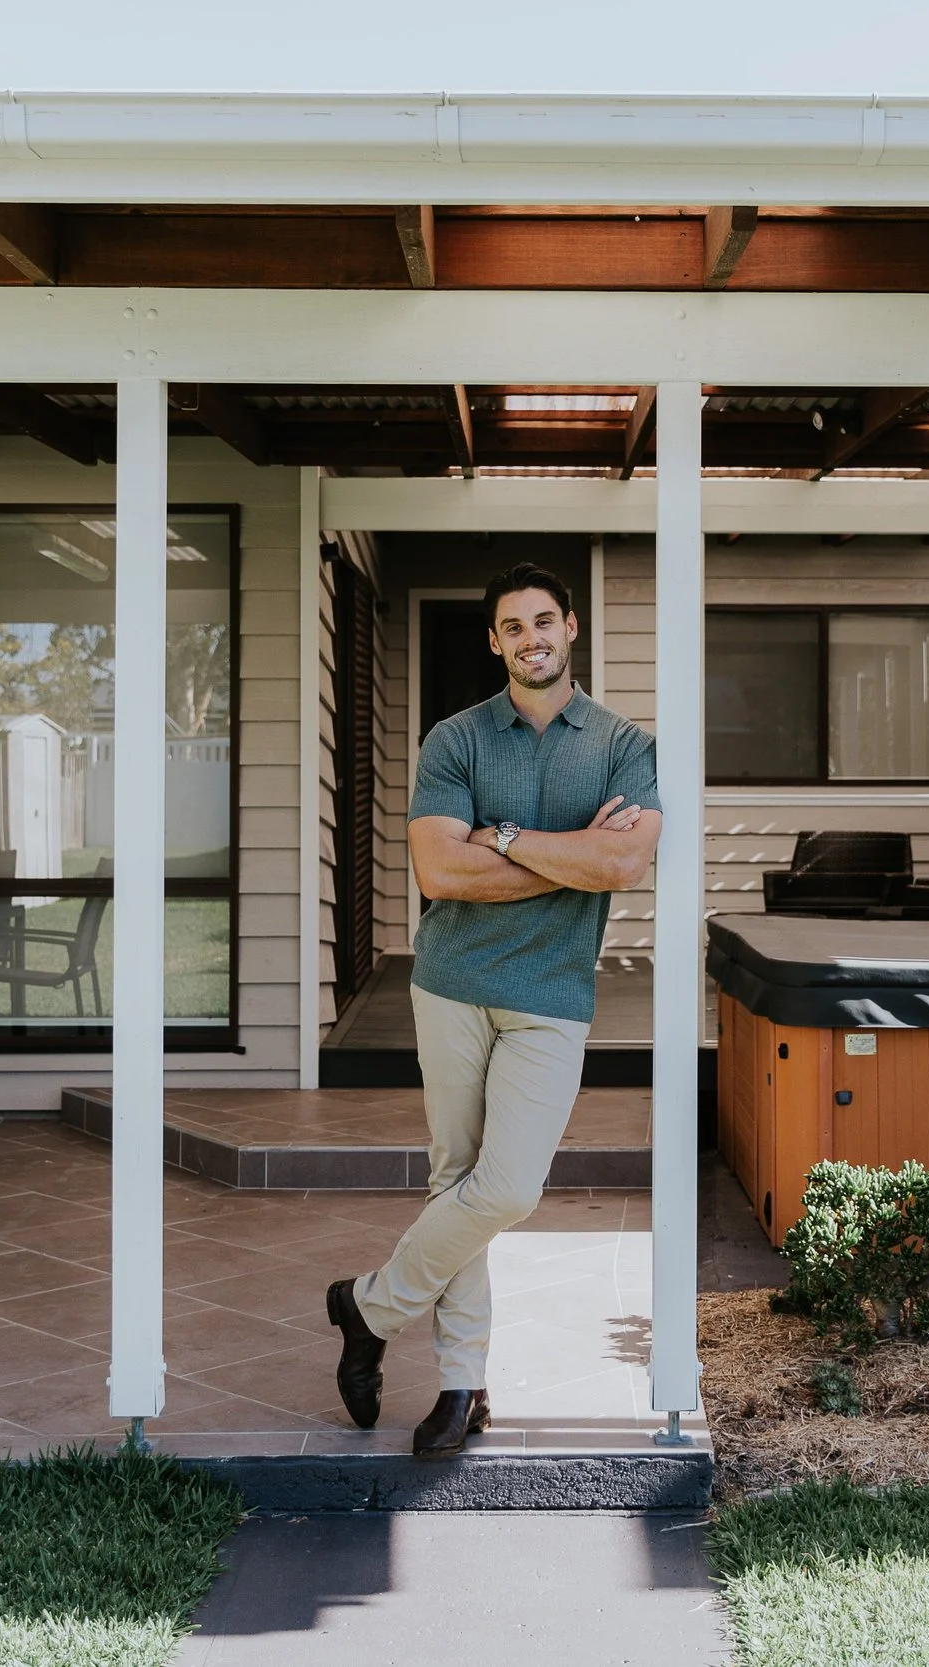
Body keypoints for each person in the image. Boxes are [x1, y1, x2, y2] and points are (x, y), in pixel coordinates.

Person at [324, 561, 663, 1457]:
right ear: (494, 642)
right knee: (458, 1181)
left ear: (572, 627)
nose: (531, 638)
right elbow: (441, 871)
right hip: (452, 985)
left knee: (506, 1188)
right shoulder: (455, 740)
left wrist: (504, 836)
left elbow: (624, 867)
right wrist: (573, 850)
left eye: (543, 620)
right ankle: (460, 1383)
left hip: (552, 997)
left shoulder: (625, 745)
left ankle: (367, 1307)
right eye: (513, 627)